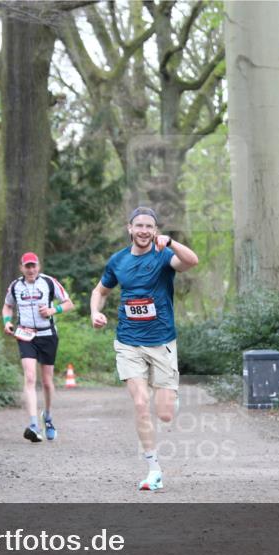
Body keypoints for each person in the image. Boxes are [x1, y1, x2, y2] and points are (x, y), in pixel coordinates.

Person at [90, 207, 199, 490]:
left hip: (162, 342)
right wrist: (95, 312)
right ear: (129, 228)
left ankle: (170, 397)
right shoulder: (118, 261)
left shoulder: (163, 256)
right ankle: (153, 469)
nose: (143, 231)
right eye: (138, 225)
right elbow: (100, 291)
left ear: (155, 230)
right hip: (128, 341)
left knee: (165, 414)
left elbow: (191, 261)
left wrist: (171, 242)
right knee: (140, 403)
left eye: (149, 226)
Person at [2, 252, 74, 443]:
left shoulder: (49, 282)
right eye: (27, 266)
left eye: (33, 266)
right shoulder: (15, 286)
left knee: (47, 382)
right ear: (21, 268)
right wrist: (7, 321)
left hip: (47, 335)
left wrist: (53, 310)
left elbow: (69, 304)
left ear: (39, 266)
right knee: (30, 377)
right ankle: (33, 425)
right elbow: (7, 306)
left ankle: (47, 417)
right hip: (25, 335)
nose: (31, 269)